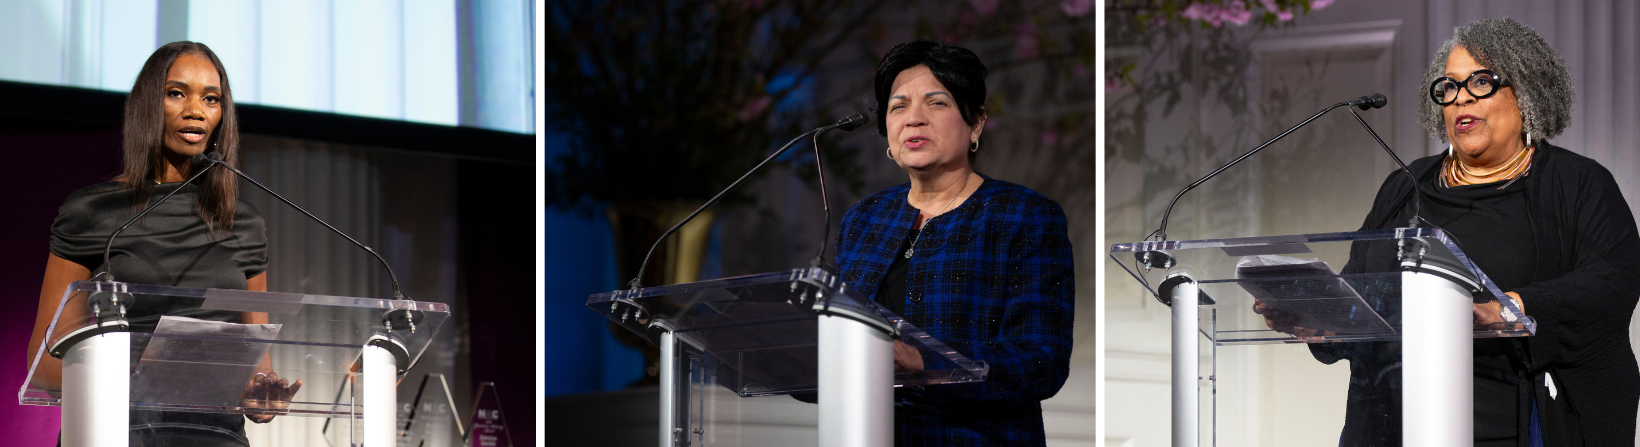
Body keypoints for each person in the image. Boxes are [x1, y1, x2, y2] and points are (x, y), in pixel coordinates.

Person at [1294, 18, 1640, 446]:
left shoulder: (1577, 184)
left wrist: (1513, 309)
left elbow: (1612, 282)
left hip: (1513, 425)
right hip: (1394, 424)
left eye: (1481, 82)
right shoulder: (1406, 186)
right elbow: (1363, 287)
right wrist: (1321, 317)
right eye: (1449, 87)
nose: (1461, 99)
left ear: (1526, 92)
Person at [26, 41, 300, 447]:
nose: (196, 110)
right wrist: (147, 372)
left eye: (212, 99)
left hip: (213, 437)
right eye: (177, 93)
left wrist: (262, 398)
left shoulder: (243, 223)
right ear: (147, 105)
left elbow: (256, 366)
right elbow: (44, 364)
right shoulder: (93, 211)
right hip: (116, 431)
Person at [831, 39, 1075, 445]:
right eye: (898, 106)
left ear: (976, 123)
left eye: (936, 103)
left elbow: (1041, 359)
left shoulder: (1023, 215)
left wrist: (923, 362)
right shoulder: (864, 219)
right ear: (886, 133)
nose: (914, 119)